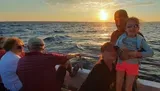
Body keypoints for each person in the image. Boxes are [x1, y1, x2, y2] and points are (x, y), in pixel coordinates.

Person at [115, 17, 154, 91]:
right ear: (125, 29)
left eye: (135, 26)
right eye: (129, 26)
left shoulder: (140, 40)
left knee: (128, 87)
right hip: (120, 63)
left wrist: (137, 54)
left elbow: (151, 53)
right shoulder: (121, 37)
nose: (132, 28)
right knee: (118, 83)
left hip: (133, 65)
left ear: (138, 28)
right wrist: (122, 51)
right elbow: (116, 47)